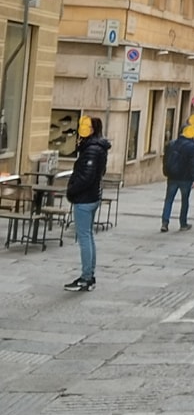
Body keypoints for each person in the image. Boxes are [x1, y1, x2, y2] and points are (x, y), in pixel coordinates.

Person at [64, 115, 111, 292]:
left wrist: (72, 190)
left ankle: (86, 278)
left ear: (92, 130)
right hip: (92, 197)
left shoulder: (91, 149)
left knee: (84, 237)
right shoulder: (98, 147)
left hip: (85, 198)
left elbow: (87, 176)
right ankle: (89, 275)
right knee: (88, 236)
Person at [161, 124, 194, 232]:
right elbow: (193, 163)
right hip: (185, 178)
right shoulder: (190, 146)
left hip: (172, 176)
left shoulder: (172, 144)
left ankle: (165, 223)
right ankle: (183, 223)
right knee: (184, 201)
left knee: (168, 200)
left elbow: (165, 159)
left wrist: (166, 172)